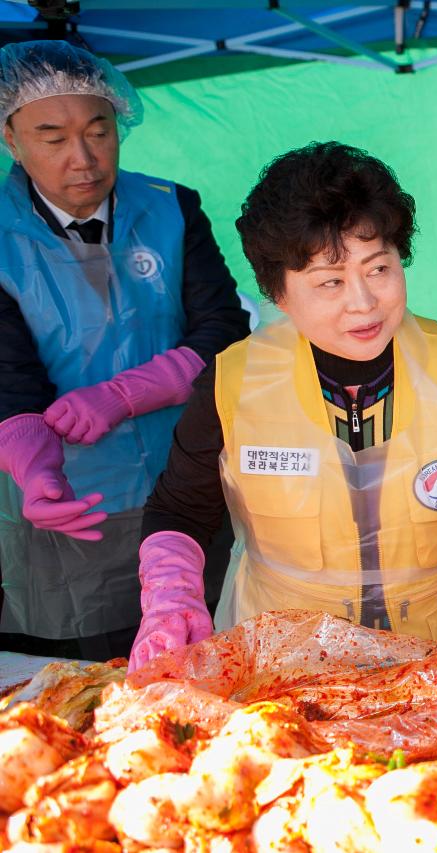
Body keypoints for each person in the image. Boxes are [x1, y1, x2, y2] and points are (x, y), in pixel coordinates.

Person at [128, 142, 437, 671]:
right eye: (330, 281)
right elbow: (179, 510)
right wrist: (171, 599)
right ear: (278, 295)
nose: (363, 301)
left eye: (378, 268)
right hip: (284, 671)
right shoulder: (234, 381)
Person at [0, 40, 248, 660]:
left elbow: (223, 330)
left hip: (185, 481)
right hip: (73, 499)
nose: (82, 159)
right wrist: (33, 464)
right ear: (10, 138)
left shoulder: (171, 207)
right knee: (93, 678)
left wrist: (128, 393)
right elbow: (9, 375)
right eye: (52, 138)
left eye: (99, 131)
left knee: (202, 653)